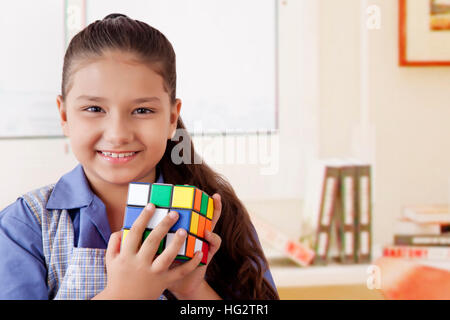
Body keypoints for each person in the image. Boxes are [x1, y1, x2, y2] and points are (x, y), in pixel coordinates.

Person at [0, 13, 279, 300]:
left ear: (172, 118)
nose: (118, 134)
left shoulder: (219, 217)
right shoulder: (25, 225)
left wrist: (194, 290)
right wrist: (126, 294)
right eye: (95, 109)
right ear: (64, 115)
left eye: (142, 110)